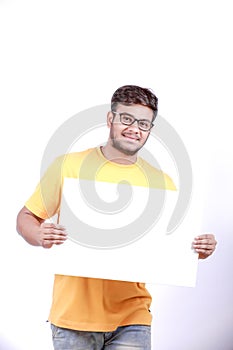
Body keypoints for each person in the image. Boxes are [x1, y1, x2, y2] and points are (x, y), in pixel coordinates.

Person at [16, 85, 217, 350]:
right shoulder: (69, 165)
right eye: (127, 119)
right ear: (110, 119)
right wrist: (39, 235)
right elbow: (26, 217)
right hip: (73, 317)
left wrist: (199, 249)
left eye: (144, 123)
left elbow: (173, 247)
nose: (135, 128)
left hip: (133, 316)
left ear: (150, 130)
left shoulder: (162, 182)